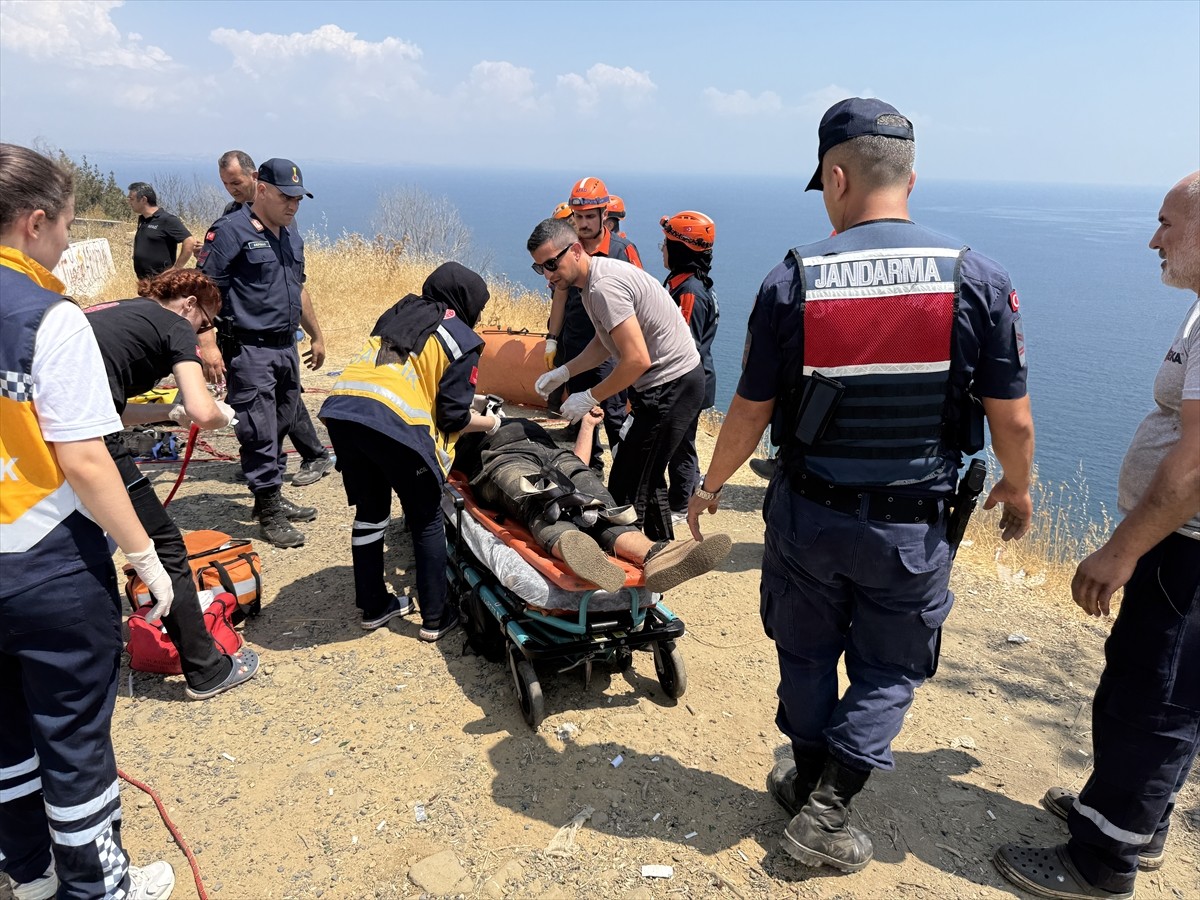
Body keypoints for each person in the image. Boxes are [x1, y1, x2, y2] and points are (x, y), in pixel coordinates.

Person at [686, 98, 1035, 874]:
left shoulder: (793, 278)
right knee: (888, 669)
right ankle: (828, 806)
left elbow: (749, 412)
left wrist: (709, 487)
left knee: (806, 652)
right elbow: (1011, 419)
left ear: (837, 176)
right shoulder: (976, 278)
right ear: (911, 177)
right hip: (911, 530)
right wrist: (1017, 489)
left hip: (808, 518)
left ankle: (810, 779)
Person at [994, 172, 1200, 900]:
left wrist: (1123, 548)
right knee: (1169, 692)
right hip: (1181, 540)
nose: (1154, 239)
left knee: (1153, 697)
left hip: (1189, 545)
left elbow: (1197, 460)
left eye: (1167, 224)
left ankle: (1100, 860)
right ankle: (1133, 827)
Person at [1, 143, 176, 899]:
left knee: (6, 735)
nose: (68, 243)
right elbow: (87, 460)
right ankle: (99, 889)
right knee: (72, 740)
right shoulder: (49, 319)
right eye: (66, 226)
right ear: (34, 222)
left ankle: (30, 875)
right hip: (44, 564)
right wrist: (145, 556)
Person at [84, 268, 260, 701]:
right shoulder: (176, 325)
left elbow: (117, 411)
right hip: (88, 441)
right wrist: (220, 415)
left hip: (45, 433)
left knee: (84, 541)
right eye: (206, 323)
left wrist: (170, 414)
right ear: (190, 304)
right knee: (164, 545)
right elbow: (204, 410)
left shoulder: (122, 313)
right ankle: (206, 669)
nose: (204, 333)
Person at [319, 262, 497, 640]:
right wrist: (491, 422)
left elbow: (403, 372)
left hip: (344, 411)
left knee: (370, 515)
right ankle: (435, 616)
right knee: (427, 518)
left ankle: (373, 606)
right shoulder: (464, 338)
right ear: (469, 302)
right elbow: (452, 419)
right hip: (394, 426)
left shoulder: (399, 312)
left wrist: (471, 398)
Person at [530, 216, 706, 542]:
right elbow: (605, 342)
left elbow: (637, 360)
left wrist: (590, 396)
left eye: (553, 263)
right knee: (641, 478)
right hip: (667, 384)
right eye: (541, 268)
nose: (550, 275)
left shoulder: (602, 287)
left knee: (629, 487)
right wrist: (565, 372)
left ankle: (639, 562)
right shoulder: (590, 284)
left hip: (672, 384)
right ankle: (660, 555)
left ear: (577, 250)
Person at [455, 407, 732, 593]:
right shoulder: (459, 425)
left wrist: (587, 426)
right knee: (540, 498)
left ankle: (656, 554)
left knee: (598, 504)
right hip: (501, 458)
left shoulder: (524, 422)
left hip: (554, 454)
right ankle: (576, 548)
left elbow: (579, 462)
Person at [197, 157, 328, 548]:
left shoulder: (291, 235)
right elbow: (203, 290)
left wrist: (316, 336)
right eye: (286, 197)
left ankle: (270, 496)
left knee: (284, 420)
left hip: (285, 347)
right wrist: (205, 345)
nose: (293, 205)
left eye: (299, 199)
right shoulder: (230, 231)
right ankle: (268, 510)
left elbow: (298, 289)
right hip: (249, 349)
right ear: (263, 189)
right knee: (258, 430)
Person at [543, 178, 643, 472]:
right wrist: (553, 338)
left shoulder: (623, 250)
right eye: (578, 217)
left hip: (610, 347)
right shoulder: (568, 248)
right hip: (576, 341)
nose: (583, 223)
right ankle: (590, 469)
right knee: (581, 410)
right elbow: (560, 294)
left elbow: (640, 296)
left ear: (603, 215)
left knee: (612, 413)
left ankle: (625, 471)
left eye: (589, 216)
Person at [659, 211, 720, 523]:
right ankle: (687, 491)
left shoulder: (690, 292)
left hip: (687, 382)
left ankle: (680, 505)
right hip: (688, 380)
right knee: (681, 439)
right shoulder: (682, 284)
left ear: (681, 250)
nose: (662, 249)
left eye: (667, 243)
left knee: (680, 443)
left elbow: (684, 345)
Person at [127, 181, 197, 279]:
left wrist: (176, 268)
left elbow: (189, 241)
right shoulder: (143, 219)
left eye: (131, 198)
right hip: (144, 281)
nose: (129, 202)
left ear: (143, 199)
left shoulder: (167, 220)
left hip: (161, 282)